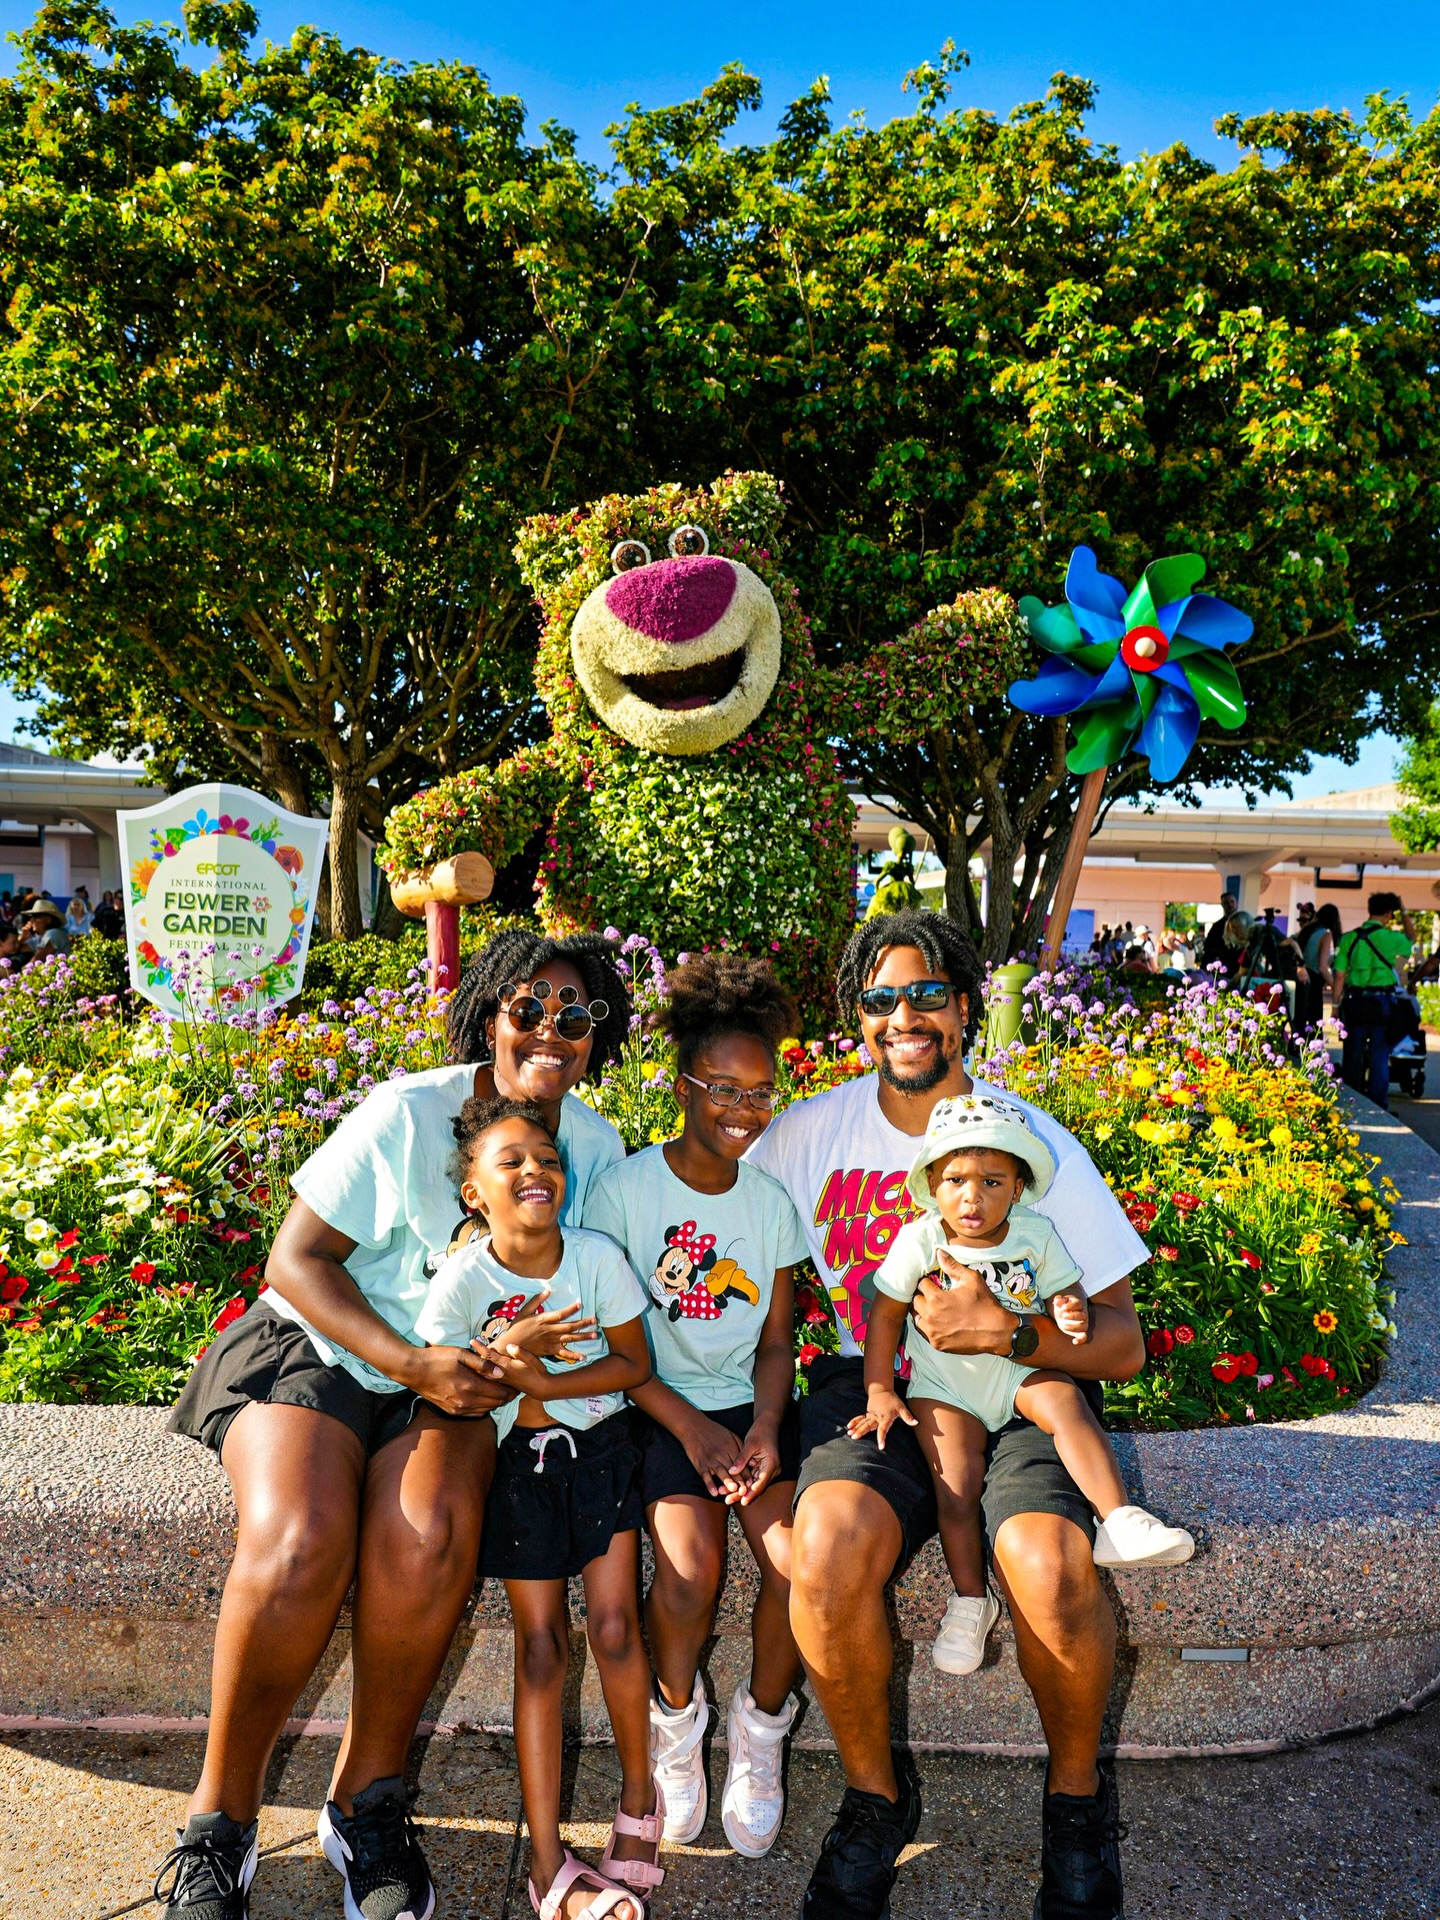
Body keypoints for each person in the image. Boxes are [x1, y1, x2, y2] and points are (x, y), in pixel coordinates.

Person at [154, 929, 631, 1920]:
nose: (550, 1031)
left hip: (456, 1383)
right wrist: (411, 1361)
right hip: (326, 1347)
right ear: (490, 1018)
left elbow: (591, 1299)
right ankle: (219, 1825)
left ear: (599, 1037)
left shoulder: (595, 1149)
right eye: (528, 1009)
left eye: (576, 1015)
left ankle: (366, 1805)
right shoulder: (409, 1112)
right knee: (298, 1541)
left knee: (430, 1531)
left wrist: (510, 1365)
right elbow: (295, 1260)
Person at [748, 912, 1148, 1920]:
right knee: (826, 1548)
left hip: (1019, 1385)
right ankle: (875, 1804)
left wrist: (1008, 1332)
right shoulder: (806, 1135)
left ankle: (1077, 1809)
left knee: (1050, 1568)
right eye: (881, 998)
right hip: (880, 1382)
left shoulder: (1030, 1142)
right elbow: (725, 1235)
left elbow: (1122, 1344)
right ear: (858, 1017)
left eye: (927, 993)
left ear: (964, 1008)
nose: (905, 1016)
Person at [586, 954, 807, 1860]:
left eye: (760, 1093)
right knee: (688, 1570)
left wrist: (762, 1429)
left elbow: (776, 1343)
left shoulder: (771, 1204)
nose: (743, 1109)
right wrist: (692, 1429)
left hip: (749, 1412)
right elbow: (607, 1346)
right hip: (657, 1406)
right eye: (723, 1088)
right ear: (683, 1086)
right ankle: (677, 1722)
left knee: (797, 1562)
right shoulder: (626, 1193)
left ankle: (761, 1728)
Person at [416, 1096, 658, 1920]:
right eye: (512, 1161)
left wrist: (546, 1382)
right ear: (474, 1194)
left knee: (618, 1628)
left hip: (602, 1455)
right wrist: (515, 1350)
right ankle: (547, 1856)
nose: (535, 1171)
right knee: (543, 1648)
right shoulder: (462, 1281)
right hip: (520, 1473)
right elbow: (446, 1380)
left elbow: (632, 1364)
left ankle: (639, 1801)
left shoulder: (594, 1258)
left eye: (548, 1159)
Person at [850, 1094, 1193, 1673]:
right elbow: (884, 1315)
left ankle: (1118, 1519)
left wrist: (1070, 1309)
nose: (972, 1197)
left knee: (1066, 1404)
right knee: (955, 1488)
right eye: (956, 1180)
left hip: (1016, 1369)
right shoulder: (920, 1240)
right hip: (945, 1384)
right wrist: (880, 1389)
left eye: (991, 1181)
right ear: (932, 1185)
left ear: (1016, 1188)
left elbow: (1065, 1288)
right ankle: (969, 1600)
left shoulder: (1035, 1232)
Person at [1333, 892, 1415, 1110]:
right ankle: (1378, 1103)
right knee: (1380, 1051)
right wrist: (1404, 910)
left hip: (1354, 1001)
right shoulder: (1390, 938)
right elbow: (1412, 938)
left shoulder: (1348, 939)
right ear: (1389, 914)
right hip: (1381, 1002)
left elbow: (1339, 975)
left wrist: (1335, 1005)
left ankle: (1350, 1100)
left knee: (1352, 1052)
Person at [1299, 903, 1342, 1034]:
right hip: (1314, 981)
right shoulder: (1326, 934)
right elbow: (1322, 967)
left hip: (1302, 978)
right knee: (1315, 1025)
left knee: (1301, 1023)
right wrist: (1335, 985)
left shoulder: (1309, 930)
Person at [1202, 892, 1239, 977]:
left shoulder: (1245, 923)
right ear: (1222, 905)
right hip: (1224, 970)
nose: (1230, 905)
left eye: (1232, 902)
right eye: (1226, 903)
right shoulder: (1217, 927)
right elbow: (1208, 949)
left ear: (1236, 903)